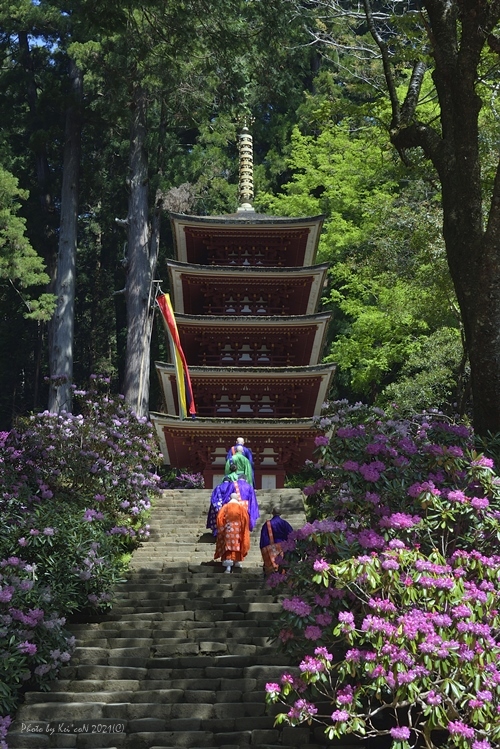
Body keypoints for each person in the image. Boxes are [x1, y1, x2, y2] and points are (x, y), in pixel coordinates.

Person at [206, 461, 260, 535]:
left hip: (235, 505)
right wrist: (253, 510)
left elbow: (228, 495)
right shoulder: (249, 487)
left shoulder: (232, 484)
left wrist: (224, 505)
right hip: (246, 506)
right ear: (245, 479)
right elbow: (253, 500)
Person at [214, 493, 250, 573]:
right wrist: (243, 529)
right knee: (237, 545)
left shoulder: (225, 507)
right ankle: (237, 561)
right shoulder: (241, 508)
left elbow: (219, 518)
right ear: (237, 498)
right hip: (238, 529)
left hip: (228, 529)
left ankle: (228, 567)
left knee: (228, 546)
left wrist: (222, 528)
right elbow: (245, 519)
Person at [259, 507, 293, 577]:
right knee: (283, 563)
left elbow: (264, 537)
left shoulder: (267, 524)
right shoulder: (284, 523)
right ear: (280, 513)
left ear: (272, 513)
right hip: (283, 547)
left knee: (272, 564)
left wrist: (263, 548)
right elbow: (291, 535)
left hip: (271, 548)